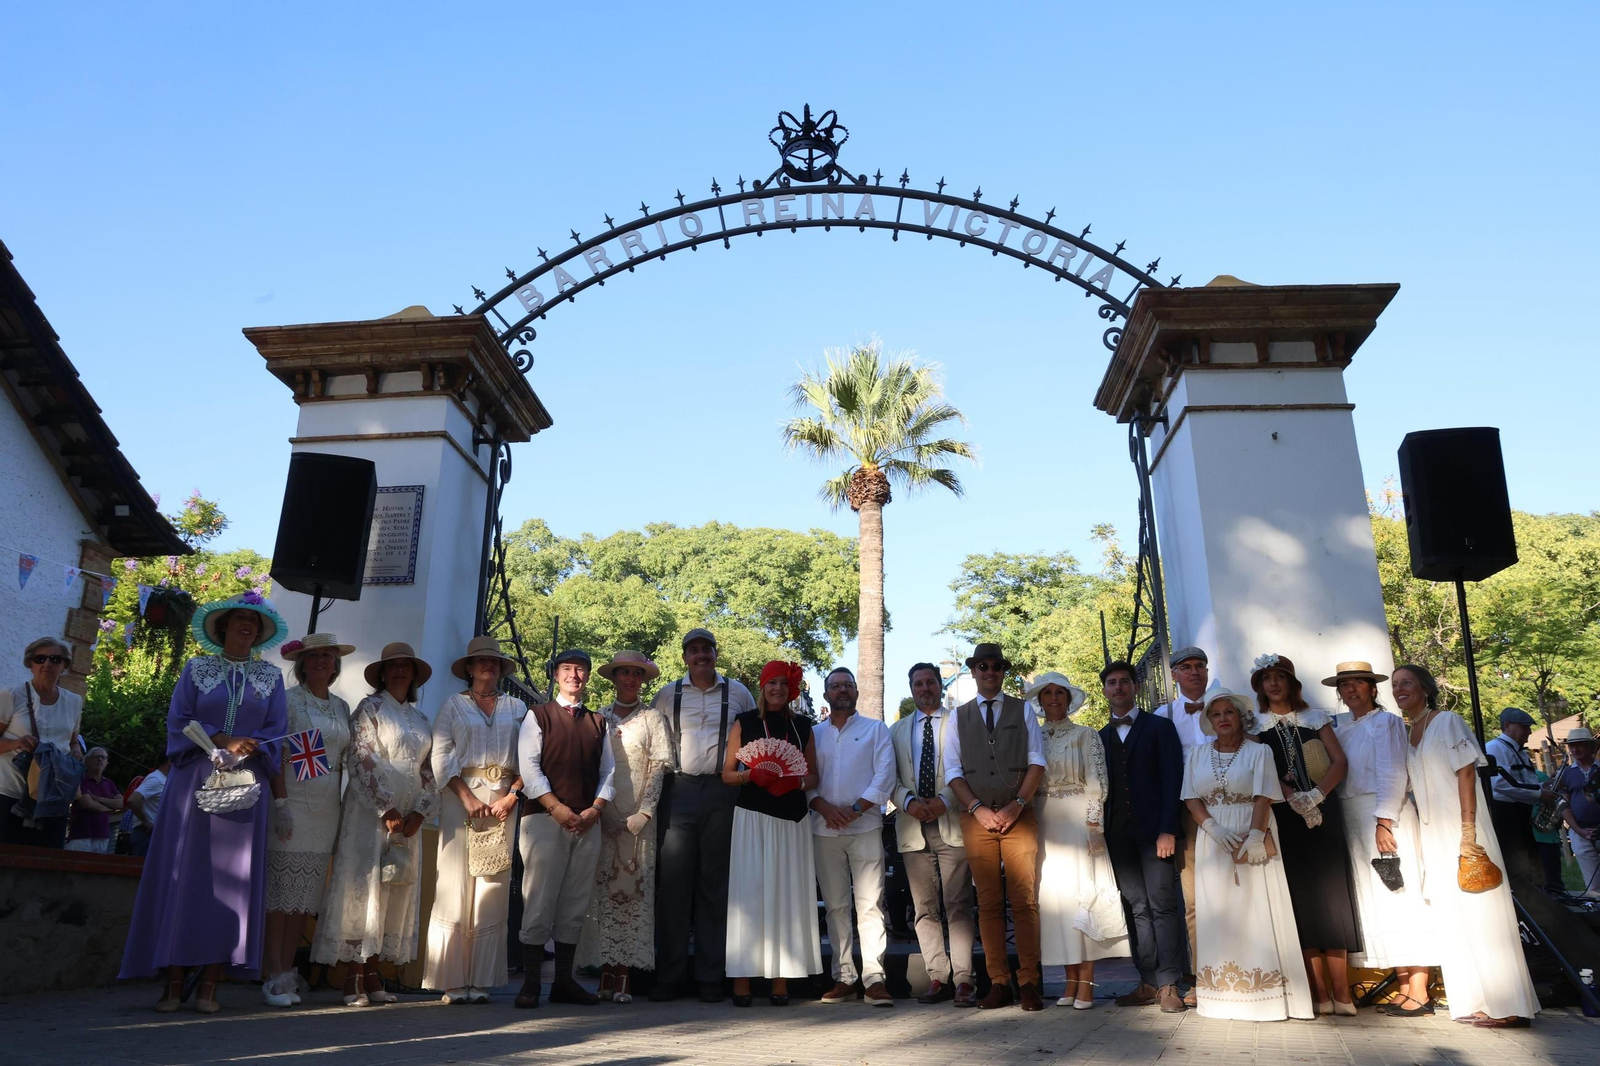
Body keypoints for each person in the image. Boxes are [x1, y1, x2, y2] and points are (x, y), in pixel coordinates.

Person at [118, 592, 289, 1013]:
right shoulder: (196, 669)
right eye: (240, 620)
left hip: (247, 787)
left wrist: (248, 748)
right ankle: (173, 982)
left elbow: (277, 729)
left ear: (260, 632)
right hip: (193, 781)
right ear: (223, 627)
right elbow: (178, 720)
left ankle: (212, 982)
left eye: (254, 622)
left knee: (236, 881)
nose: (247, 627)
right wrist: (220, 739)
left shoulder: (272, 678)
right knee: (185, 877)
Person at [1395, 664, 1540, 1027]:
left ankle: (1509, 1006)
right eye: (1395, 685)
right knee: (1453, 917)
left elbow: (1465, 772)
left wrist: (1468, 829)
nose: (1400, 689)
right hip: (1432, 834)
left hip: (1462, 828)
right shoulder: (1410, 732)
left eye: (1407, 683)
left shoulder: (1447, 722)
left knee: (1483, 915)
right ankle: (1478, 1000)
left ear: (1425, 688)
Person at [312, 642, 438, 1007]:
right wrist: (386, 808)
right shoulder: (369, 709)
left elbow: (429, 770)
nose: (400, 671)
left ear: (414, 674)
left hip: (408, 818)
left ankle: (373, 973)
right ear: (383, 672)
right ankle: (351, 977)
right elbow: (361, 757)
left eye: (406, 666)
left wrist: (420, 811)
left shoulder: (420, 719)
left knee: (393, 886)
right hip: (370, 814)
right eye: (393, 665)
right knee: (364, 885)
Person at [1181, 691, 1314, 1021]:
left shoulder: (1260, 751)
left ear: (1241, 717)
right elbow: (1191, 797)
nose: (1223, 718)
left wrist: (1255, 836)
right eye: (1216, 714)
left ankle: (1264, 999)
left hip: (1251, 833)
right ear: (1209, 722)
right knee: (1218, 911)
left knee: (1255, 907)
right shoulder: (1197, 754)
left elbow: (1263, 796)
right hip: (1215, 839)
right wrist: (1212, 828)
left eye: (1230, 712)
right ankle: (1222, 995)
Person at [650, 628, 755, 1003]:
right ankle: (671, 975)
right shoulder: (668, 694)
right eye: (693, 651)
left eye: (706, 649)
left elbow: (753, 741)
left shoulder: (739, 692)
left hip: (723, 792)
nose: (700, 656)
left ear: (715, 652)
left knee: (716, 885)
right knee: (673, 885)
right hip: (677, 791)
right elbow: (654, 742)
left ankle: (711, 975)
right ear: (684, 657)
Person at [1325, 661, 1436, 1016]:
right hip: (1353, 817)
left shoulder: (1385, 722)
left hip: (1384, 811)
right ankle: (1404, 985)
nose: (1352, 690)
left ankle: (1420, 986)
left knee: (1400, 894)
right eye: (1345, 685)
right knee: (1377, 901)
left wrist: (1384, 821)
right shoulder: (1341, 730)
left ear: (1373, 689)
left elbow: (1393, 770)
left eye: (1359, 683)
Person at [1252, 653, 1360, 1016]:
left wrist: (1317, 794)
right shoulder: (1256, 726)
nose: (1273, 684)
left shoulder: (1316, 719)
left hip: (1324, 812)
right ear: (1260, 686)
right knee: (1301, 899)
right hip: (1285, 815)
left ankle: (1343, 994)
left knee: (1333, 897)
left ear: (1291, 682)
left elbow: (1339, 761)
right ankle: (1318, 993)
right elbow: (1261, 771)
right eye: (1266, 678)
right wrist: (1292, 798)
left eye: (1279, 676)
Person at [425, 636, 526, 1004]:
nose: (488, 666)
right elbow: (441, 752)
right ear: (468, 667)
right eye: (481, 661)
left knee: (493, 886)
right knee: (455, 883)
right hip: (459, 798)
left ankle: (481, 979)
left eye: (494, 662)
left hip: (502, 802)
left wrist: (513, 794)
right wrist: (465, 796)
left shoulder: (517, 707)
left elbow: (530, 756)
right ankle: (452, 979)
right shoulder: (452, 705)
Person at [945, 643, 1046, 1011]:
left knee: (1024, 900)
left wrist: (1017, 805)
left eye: (996, 666)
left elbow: (1037, 761)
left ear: (1003, 672)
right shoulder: (958, 717)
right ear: (973, 671)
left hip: (1018, 816)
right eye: (983, 666)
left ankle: (1030, 981)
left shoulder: (1023, 710)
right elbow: (953, 771)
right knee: (987, 903)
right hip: (977, 820)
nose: (990, 672)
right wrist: (976, 809)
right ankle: (999, 982)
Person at [515, 648, 614, 1008]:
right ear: (556, 675)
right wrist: (557, 808)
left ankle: (563, 983)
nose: (575, 675)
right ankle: (529, 984)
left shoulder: (598, 722)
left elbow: (609, 772)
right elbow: (529, 768)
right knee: (539, 900)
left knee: (575, 903)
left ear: (587, 676)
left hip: (587, 823)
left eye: (581, 670)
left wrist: (595, 810)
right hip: (543, 820)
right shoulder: (538, 715)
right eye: (567, 669)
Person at [261, 631, 356, 1008]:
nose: (321, 662)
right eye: (314, 657)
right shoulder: (288, 701)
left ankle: (288, 969)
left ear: (335, 665)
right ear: (302, 664)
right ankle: (273, 975)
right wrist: (280, 802)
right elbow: (277, 752)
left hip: (326, 805)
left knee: (303, 899)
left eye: (328, 657)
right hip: (293, 803)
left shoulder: (342, 706)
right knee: (281, 895)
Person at [723, 660, 821, 1007]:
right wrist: (752, 776)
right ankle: (743, 980)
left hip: (791, 820)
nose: (777, 688)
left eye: (783, 683)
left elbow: (813, 778)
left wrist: (793, 780)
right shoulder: (745, 722)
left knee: (785, 895)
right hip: (752, 817)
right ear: (762, 687)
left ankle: (781, 979)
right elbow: (727, 774)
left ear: (791, 688)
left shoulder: (804, 727)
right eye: (771, 683)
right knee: (749, 895)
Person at [579, 650, 673, 1004]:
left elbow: (659, 768)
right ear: (614, 677)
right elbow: (590, 767)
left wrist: (645, 812)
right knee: (600, 893)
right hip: (601, 816)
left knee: (632, 891)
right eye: (624, 673)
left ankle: (625, 975)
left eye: (637, 674)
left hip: (638, 822)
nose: (630, 679)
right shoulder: (598, 718)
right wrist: (597, 810)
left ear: (642, 679)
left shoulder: (653, 719)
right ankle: (603, 971)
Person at [1030, 671, 1127, 1008]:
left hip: (1077, 822)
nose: (1054, 698)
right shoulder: (1033, 738)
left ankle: (1086, 982)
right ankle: (1069, 982)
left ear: (1069, 699)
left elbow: (1097, 781)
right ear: (1039, 700)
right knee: (1055, 903)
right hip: (1043, 821)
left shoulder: (1086, 735)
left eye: (1060, 692)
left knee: (1081, 897)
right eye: (1047, 693)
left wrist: (1092, 825)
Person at [1098, 659, 1186, 1013]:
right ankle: (1146, 980)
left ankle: (1169, 984)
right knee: (1135, 907)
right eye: (1112, 683)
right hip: (1118, 838)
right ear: (1104, 691)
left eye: (1124, 681)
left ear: (1135, 687)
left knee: (1163, 904)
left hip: (1155, 834)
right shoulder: (1099, 738)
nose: (1118, 687)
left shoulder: (1160, 728)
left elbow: (1172, 780)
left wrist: (1169, 829)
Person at [889, 662, 976, 1007]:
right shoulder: (895, 731)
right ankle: (938, 976)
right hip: (913, 828)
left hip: (952, 824)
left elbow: (969, 771)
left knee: (958, 905)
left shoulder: (960, 725)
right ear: (911, 688)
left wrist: (944, 800)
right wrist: (908, 802)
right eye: (918, 683)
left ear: (941, 686)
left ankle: (965, 979)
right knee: (924, 909)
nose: (924, 688)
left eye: (930, 682)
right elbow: (887, 776)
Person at [809, 666, 896, 1006]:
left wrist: (856, 809)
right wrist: (826, 808)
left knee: (870, 905)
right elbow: (805, 779)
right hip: (824, 827)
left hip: (865, 826)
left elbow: (884, 776)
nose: (842, 690)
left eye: (848, 685)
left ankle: (874, 978)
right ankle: (844, 976)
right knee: (835, 906)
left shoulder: (876, 730)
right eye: (836, 686)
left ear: (857, 693)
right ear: (826, 694)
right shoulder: (813, 734)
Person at [1152, 644, 1220, 1003]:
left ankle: (1241, 968)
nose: (1194, 672)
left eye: (1200, 666)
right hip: (1188, 815)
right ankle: (1201, 977)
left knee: (1235, 893)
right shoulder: (1163, 716)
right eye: (1186, 667)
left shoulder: (1227, 706)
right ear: (1175, 675)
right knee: (1193, 899)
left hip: (1231, 809)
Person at [0, 636, 85, 847]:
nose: (47, 664)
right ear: (31, 664)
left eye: (55, 659)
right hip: (10, 793)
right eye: (40, 659)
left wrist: (76, 751)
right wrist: (16, 743)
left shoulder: (74, 701)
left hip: (53, 796)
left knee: (46, 862)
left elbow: (73, 741)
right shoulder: (11, 696)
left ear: (64, 665)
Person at [1484, 707, 1549, 885]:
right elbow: (1499, 784)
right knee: (1519, 868)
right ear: (1507, 726)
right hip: (1505, 815)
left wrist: (1545, 786)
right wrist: (1540, 793)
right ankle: (1525, 906)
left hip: (1520, 814)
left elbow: (1526, 781)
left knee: (1532, 864)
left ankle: (1537, 903)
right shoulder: (1495, 748)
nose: (1528, 732)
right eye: (1524, 727)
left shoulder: (1520, 752)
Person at [1556, 726, 1600, 897]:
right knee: (1594, 886)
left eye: (1580, 744)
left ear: (1590, 746)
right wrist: (1579, 830)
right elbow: (1563, 805)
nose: (1575, 749)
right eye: (1572, 746)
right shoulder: (1566, 773)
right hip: (1581, 832)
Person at [66, 747, 121, 853]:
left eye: (103, 757)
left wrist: (97, 798)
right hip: (81, 836)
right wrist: (111, 808)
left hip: (102, 836)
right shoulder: (81, 780)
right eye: (96, 757)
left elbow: (121, 803)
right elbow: (89, 804)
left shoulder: (109, 783)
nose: (100, 760)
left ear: (107, 762)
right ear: (87, 761)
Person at [125, 760, 169, 857]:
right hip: (146, 835)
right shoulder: (156, 779)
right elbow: (133, 800)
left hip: (155, 836)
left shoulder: (164, 780)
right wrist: (147, 822)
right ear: (169, 761)